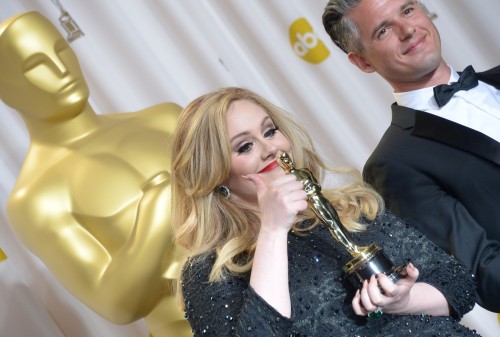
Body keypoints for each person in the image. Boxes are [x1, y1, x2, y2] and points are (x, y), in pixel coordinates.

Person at [170, 86, 477, 336]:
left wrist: (403, 301)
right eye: (244, 147)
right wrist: (273, 230)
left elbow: (457, 283)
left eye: (270, 131)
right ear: (215, 176)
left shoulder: (352, 207)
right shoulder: (211, 270)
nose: (270, 149)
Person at [0, 11, 191, 337]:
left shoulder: (165, 118)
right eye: (36, 65)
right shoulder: (37, 199)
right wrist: (156, 216)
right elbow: (116, 304)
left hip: (290, 292)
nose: (61, 70)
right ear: (5, 90)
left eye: (61, 50)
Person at [322, 0, 500, 312]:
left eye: (407, 10)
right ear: (362, 61)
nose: (408, 30)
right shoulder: (393, 164)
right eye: (384, 30)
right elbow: (486, 274)